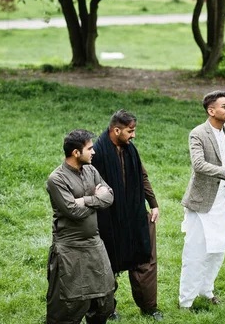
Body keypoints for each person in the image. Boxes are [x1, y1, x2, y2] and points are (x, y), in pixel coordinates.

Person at [178, 90, 225, 308]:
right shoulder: (197, 133)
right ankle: (186, 302)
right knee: (196, 252)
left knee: (218, 249)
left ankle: (206, 290)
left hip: (221, 201)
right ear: (211, 111)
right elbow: (199, 165)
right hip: (202, 202)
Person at [92, 110, 162, 320]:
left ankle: (149, 307)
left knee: (145, 259)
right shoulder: (96, 153)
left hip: (135, 213)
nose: (133, 135)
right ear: (116, 130)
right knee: (106, 265)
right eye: (130, 131)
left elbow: (142, 176)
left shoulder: (131, 150)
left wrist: (153, 203)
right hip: (108, 218)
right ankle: (108, 309)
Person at [46, 129, 115, 324]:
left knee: (105, 301)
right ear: (76, 152)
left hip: (94, 243)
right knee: (69, 304)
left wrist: (83, 200)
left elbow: (109, 196)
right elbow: (72, 211)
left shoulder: (91, 170)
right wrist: (96, 199)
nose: (94, 152)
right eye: (89, 148)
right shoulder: (56, 179)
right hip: (69, 248)